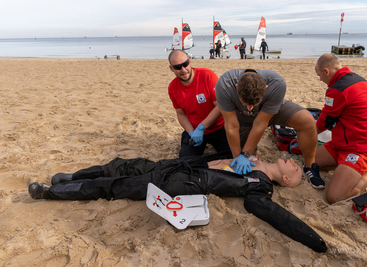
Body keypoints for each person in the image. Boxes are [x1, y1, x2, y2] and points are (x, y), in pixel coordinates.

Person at [28, 151, 327, 253]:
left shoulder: (260, 187)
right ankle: (69, 177)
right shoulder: (250, 156)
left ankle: (49, 192)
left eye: (296, 167)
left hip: (183, 183)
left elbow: (274, 214)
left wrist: (315, 241)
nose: (293, 161)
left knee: (114, 187)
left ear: (286, 180)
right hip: (175, 165)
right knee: (120, 165)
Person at [215, 69, 325, 189]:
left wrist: (245, 154)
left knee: (307, 120)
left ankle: (309, 166)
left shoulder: (277, 83)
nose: (250, 108)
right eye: (245, 103)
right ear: (236, 87)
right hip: (242, 118)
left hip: (270, 112)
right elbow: (231, 126)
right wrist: (238, 157)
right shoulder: (224, 84)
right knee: (249, 162)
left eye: (254, 104)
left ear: (266, 87)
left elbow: (259, 123)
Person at [314, 53, 367, 204]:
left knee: (335, 197)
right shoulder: (359, 80)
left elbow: (322, 124)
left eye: (319, 75)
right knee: (312, 162)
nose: (320, 79)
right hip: (343, 142)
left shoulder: (338, 89)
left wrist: (304, 134)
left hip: (360, 149)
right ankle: (348, 170)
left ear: (326, 71)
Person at [168, 49, 230, 157]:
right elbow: (181, 114)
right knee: (186, 160)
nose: (183, 69)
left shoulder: (207, 76)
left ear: (190, 61)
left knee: (230, 156)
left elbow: (220, 106)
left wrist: (202, 127)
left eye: (185, 64)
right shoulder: (172, 87)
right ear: (171, 69)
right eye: (178, 67)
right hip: (194, 129)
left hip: (219, 128)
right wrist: (191, 132)